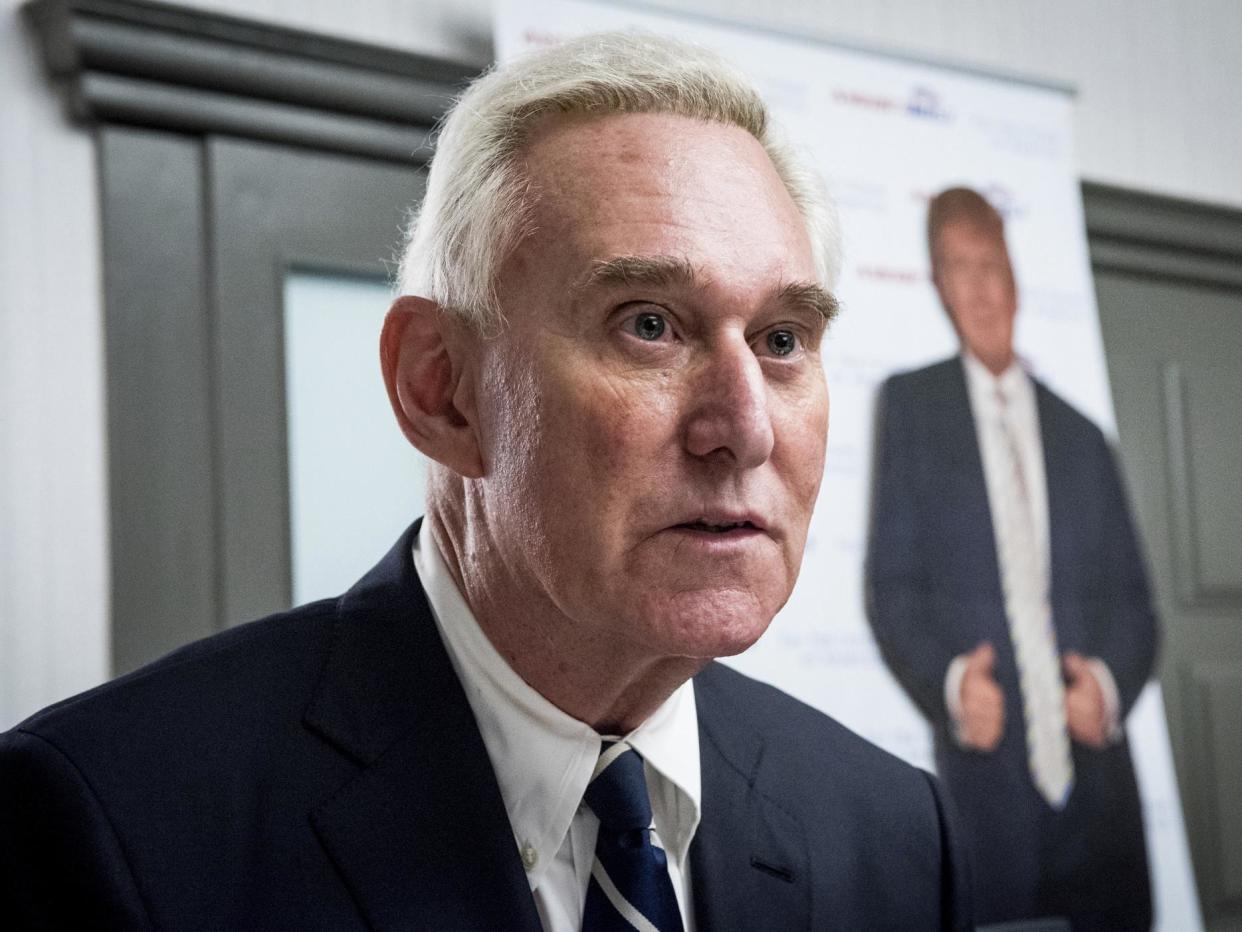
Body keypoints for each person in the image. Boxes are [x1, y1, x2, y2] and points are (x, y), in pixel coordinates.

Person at [1, 34, 970, 931]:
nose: (747, 427)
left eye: (783, 339)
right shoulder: (114, 822)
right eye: (649, 323)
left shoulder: (893, 833)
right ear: (442, 388)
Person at [867, 186, 1157, 929]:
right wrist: (954, 682)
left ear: (1016, 275)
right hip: (984, 795)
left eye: (990, 263)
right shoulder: (910, 409)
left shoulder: (1083, 436)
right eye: (958, 267)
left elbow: (1136, 606)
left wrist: (1111, 682)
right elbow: (891, 590)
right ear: (937, 285)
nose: (980, 286)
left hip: (1100, 799)